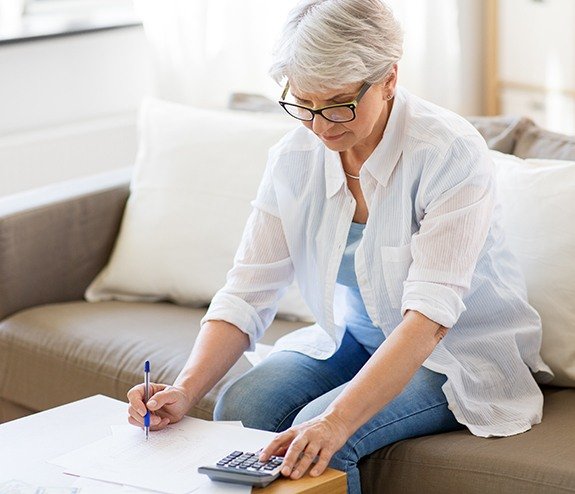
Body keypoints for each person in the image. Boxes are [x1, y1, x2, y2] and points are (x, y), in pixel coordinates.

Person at [127, 1, 553, 492]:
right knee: (242, 406)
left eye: (338, 103)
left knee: (317, 438)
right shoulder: (294, 157)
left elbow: (430, 317)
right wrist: (183, 390)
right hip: (355, 337)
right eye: (304, 105)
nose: (322, 126)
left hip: (454, 352)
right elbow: (247, 291)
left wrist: (334, 421)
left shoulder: (448, 153)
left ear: (389, 79)